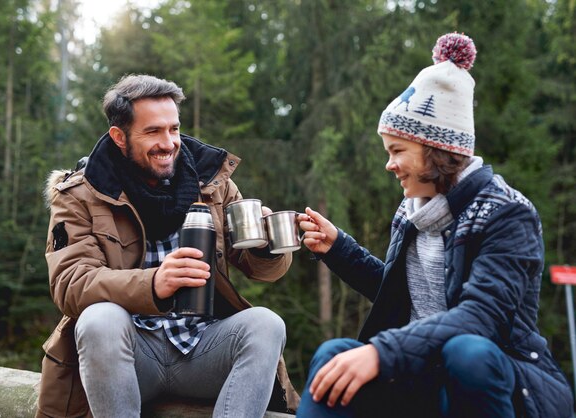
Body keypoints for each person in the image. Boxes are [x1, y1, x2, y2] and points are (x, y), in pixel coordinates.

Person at [296, 33, 574, 418]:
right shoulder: (413, 209)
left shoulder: (508, 213)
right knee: (334, 357)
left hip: (500, 380)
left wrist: (382, 351)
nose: (389, 165)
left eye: (397, 151)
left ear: (436, 151)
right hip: (425, 371)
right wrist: (339, 249)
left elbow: (481, 318)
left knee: (468, 353)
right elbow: (406, 297)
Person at [37, 74, 299, 418]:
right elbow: (70, 285)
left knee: (266, 323)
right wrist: (153, 285)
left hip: (203, 351)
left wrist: (266, 246)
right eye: (152, 132)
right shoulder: (79, 195)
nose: (169, 142)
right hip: (130, 356)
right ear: (120, 137)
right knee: (99, 320)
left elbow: (259, 269)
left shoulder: (212, 182)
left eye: (173, 129)